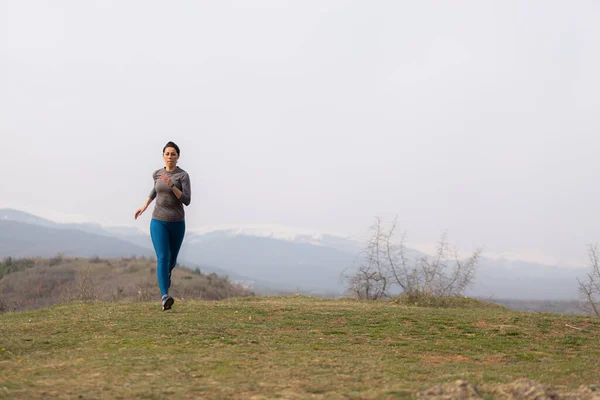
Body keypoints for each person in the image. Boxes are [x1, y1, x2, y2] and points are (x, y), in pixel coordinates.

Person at [134, 141, 191, 310]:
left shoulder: (183, 176)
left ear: (178, 156)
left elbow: (187, 200)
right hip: (158, 221)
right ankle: (165, 297)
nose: (170, 157)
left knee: (171, 261)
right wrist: (144, 206)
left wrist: (172, 185)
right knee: (163, 258)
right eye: (167, 154)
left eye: (173, 154)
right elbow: (155, 190)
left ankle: (165, 277)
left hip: (177, 223)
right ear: (163, 156)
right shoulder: (157, 174)